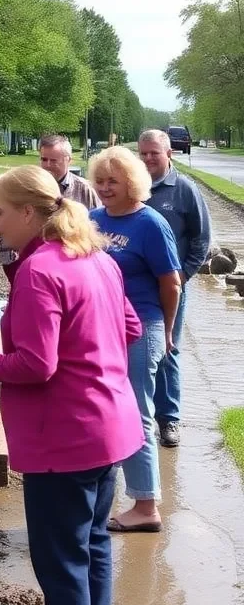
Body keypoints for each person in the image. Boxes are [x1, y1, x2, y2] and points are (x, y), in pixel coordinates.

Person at [0, 166, 143, 605]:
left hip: (64, 438)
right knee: (92, 546)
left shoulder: (38, 271)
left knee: (60, 559)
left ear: (28, 213)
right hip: (110, 425)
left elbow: (36, 364)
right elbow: (132, 329)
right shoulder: (98, 259)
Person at [89, 147, 181, 533]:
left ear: (133, 182)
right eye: (101, 181)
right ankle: (103, 493)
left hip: (142, 327)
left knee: (137, 413)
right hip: (102, 328)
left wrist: (168, 330)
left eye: (114, 181)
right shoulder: (93, 219)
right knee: (105, 410)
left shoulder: (150, 223)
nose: (106, 188)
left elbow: (171, 282)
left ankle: (146, 505)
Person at [138, 128, 212, 447]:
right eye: (143, 153)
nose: (148, 159)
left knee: (167, 350)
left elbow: (201, 240)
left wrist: (181, 277)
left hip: (170, 288)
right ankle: (136, 417)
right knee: (134, 352)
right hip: (134, 289)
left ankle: (169, 420)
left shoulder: (184, 189)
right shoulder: (132, 185)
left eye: (154, 153)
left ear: (169, 154)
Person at [0, 135, 99, 265]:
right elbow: (9, 222)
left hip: (72, 263)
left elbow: (96, 230)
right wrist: (10, 264)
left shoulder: (85, 190)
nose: (47, 165)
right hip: (30, 263)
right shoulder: (27, 188)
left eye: (53, 161)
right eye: (44, 160)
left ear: (69, 160)